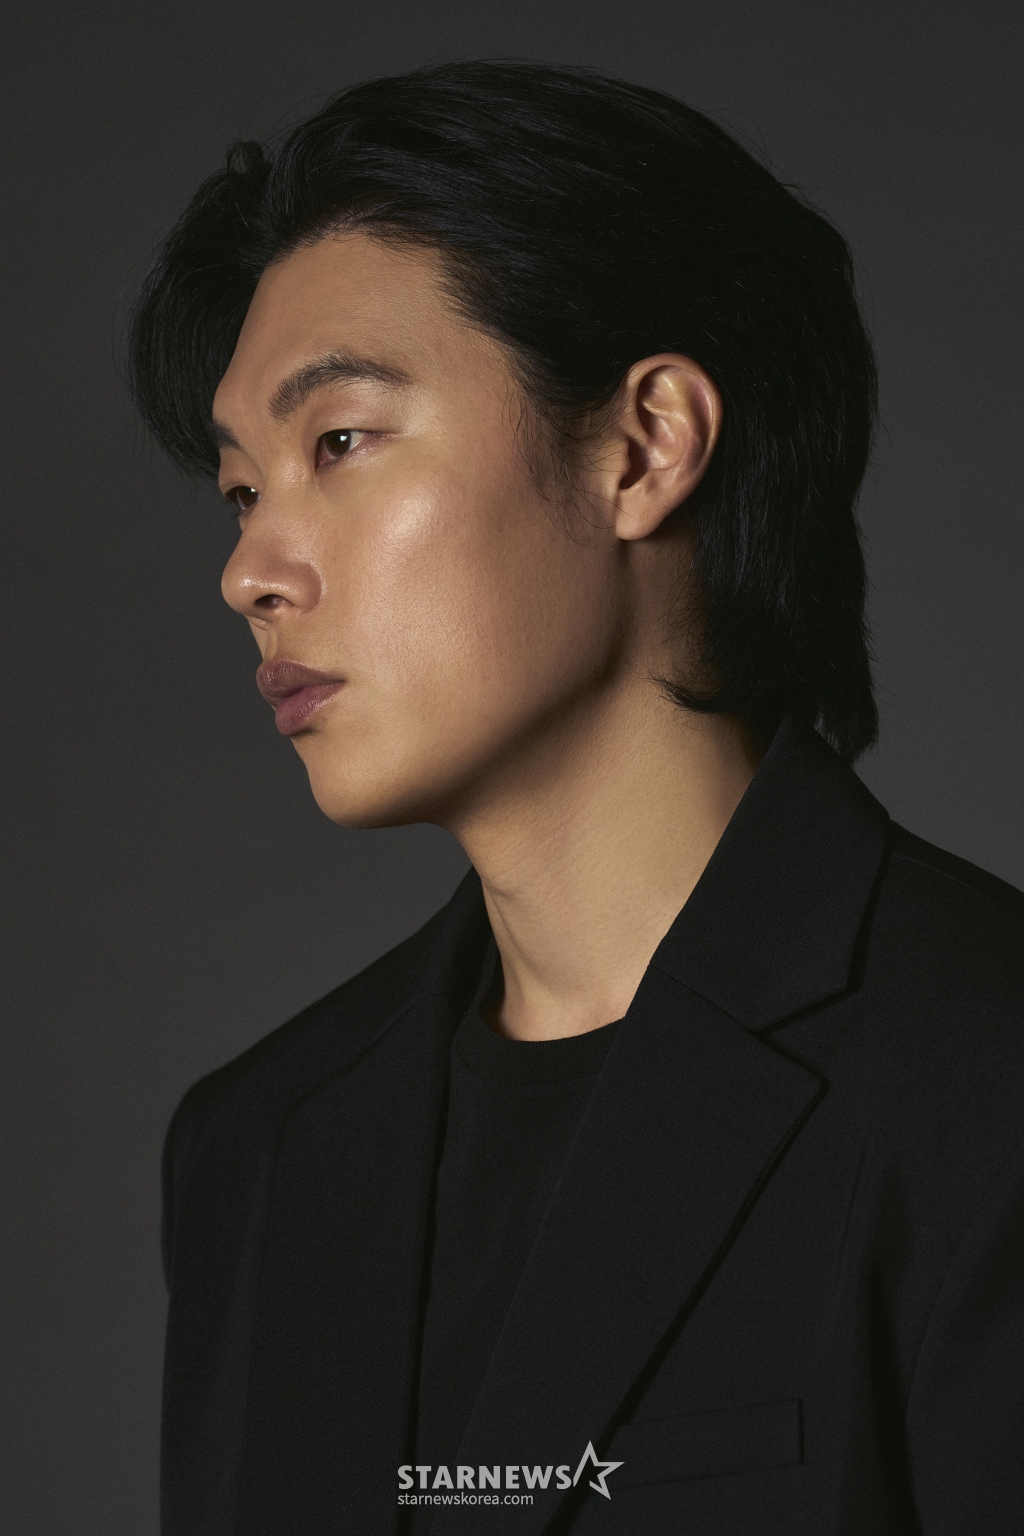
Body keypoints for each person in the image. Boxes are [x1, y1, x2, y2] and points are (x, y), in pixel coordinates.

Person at [128, 60, 1024, 1536]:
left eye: (338, 442)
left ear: (644, 444)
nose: (249, 573)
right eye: (243, 490)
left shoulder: (981, 1080)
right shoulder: (254, 1151)